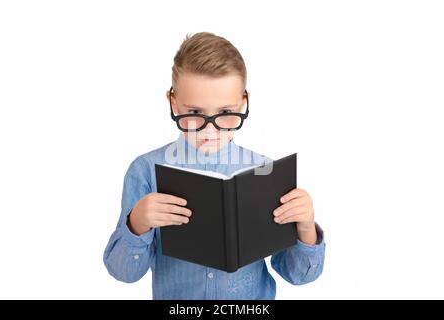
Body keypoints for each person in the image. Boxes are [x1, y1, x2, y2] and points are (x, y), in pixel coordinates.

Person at [103, 32, 325, 299]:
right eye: (194, 113)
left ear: (243, 102)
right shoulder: (145, 171)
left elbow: (298, 275)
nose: (209, 130)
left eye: (225, 113)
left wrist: (305, 229)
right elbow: (124, 273)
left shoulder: (265, 171)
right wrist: (136, 223)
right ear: (174, 102)